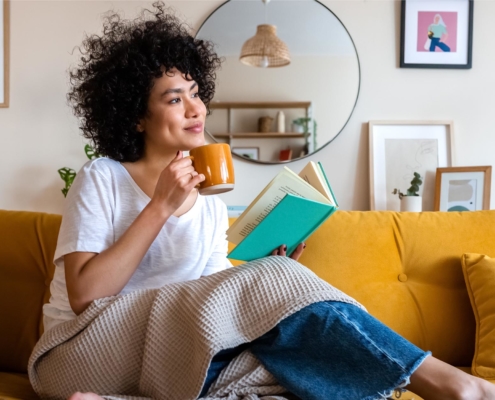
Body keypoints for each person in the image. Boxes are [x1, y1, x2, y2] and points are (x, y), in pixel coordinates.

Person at [38, 3, 495, 400]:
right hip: (78, 351)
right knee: (284, 314)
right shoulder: (103, 177)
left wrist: (270, 272)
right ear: (136, 116)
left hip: (159, 356)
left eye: (196, 93)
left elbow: (213, 311)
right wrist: (159, 207)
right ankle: (448, 383)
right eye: (175, 99)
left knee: (294, 369)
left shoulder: (209, 202)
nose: (196, 109)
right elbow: (85, 296)